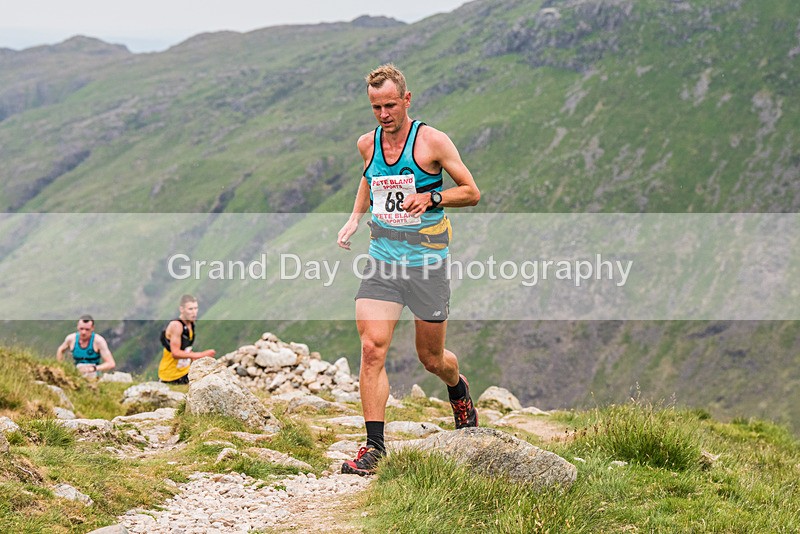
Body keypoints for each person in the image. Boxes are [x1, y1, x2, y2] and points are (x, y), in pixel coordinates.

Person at [336, 64, 481, 476]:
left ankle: (458, 389)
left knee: (432, 358)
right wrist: (353, 218)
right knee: (371, 348)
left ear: (407, 99)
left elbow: (471, 192)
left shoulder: (432, 141)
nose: (384, 114)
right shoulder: (368, 144)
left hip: (427, 263)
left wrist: (432, 198)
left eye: (390, 105)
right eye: (376, 107)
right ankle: (375, 447)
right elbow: (370, 179)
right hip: (383, 259)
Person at [158, 294, 216, 384]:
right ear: (182, 309)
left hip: (185, 371)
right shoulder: (176, 325)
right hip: (171, 375)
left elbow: (186, 348)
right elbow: (175, 353)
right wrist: (200, 355)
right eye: (190, 309)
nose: (194, 312)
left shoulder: (190, 324)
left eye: (196, 308)